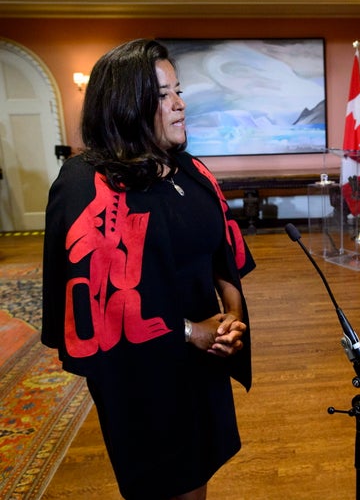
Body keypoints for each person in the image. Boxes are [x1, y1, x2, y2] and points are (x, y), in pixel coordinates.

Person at [41, 39, 256, 500]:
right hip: (140, 373)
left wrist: (230, 320)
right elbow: (93, 303)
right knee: (165, 485)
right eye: (162, 95)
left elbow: (224, 258)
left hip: (204, 360)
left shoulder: (190, 170)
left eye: (178, 91)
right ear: (125, 103)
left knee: (197, 476)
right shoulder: (86, 182)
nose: (180, 104)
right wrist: (190, 332)